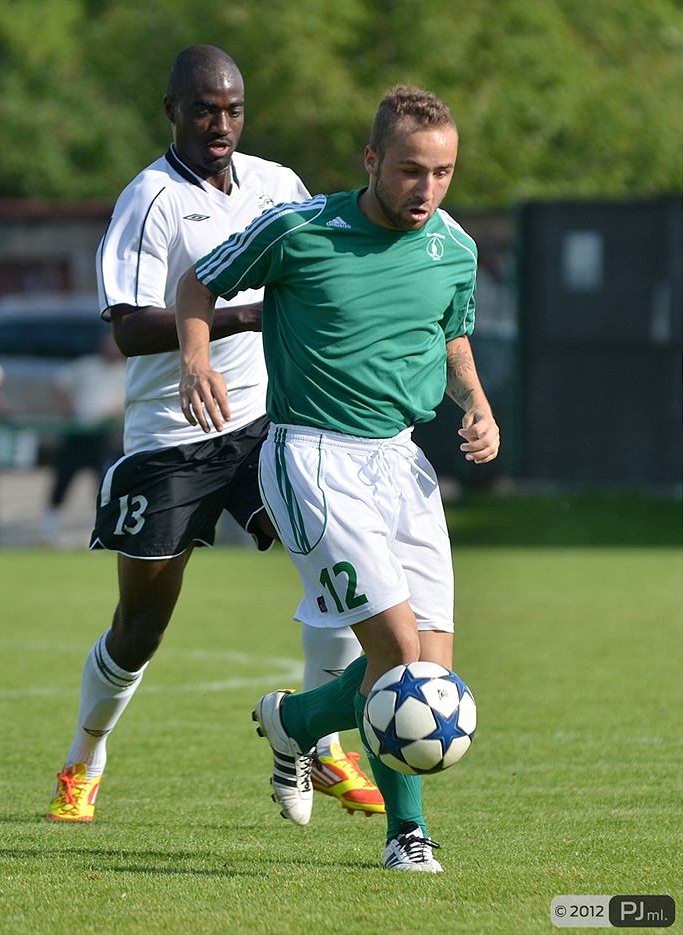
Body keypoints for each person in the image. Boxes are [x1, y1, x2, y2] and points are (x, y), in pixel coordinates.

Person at [47, 45, 383, 822]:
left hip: (269, 425)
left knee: (342, 569)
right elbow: (128, 328)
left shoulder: (276, 185)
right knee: (140, 627)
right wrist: (243, 316)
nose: (220, 124)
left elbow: (317, 266)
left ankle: (320, 743)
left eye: (232, 109)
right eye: (204, 109)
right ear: (172, 110)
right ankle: (84, 755)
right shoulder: (151, 198)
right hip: (170, 437)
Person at [175, 84, 500, 871]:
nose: (427, 189)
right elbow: (197, 284)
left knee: (434, 669)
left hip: (403, 459)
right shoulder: (300, 229)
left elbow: (452, 338)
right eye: (410, 171)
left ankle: (296, 721)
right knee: (397, 653)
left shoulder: (453, 247)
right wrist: (194, 356)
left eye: (444, 172)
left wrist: (478, 404)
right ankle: (406, 834)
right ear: (371, 160)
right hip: (313, 455)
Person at [38, 333, 125, 547]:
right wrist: (67, 406)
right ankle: (47, 529)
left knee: (105, 484)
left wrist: (116, 410)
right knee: (63, 479)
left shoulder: (128, 370)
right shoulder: (87, 365)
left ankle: (106, 529)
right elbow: (59, 382)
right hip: (77, 433)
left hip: (106, 437)